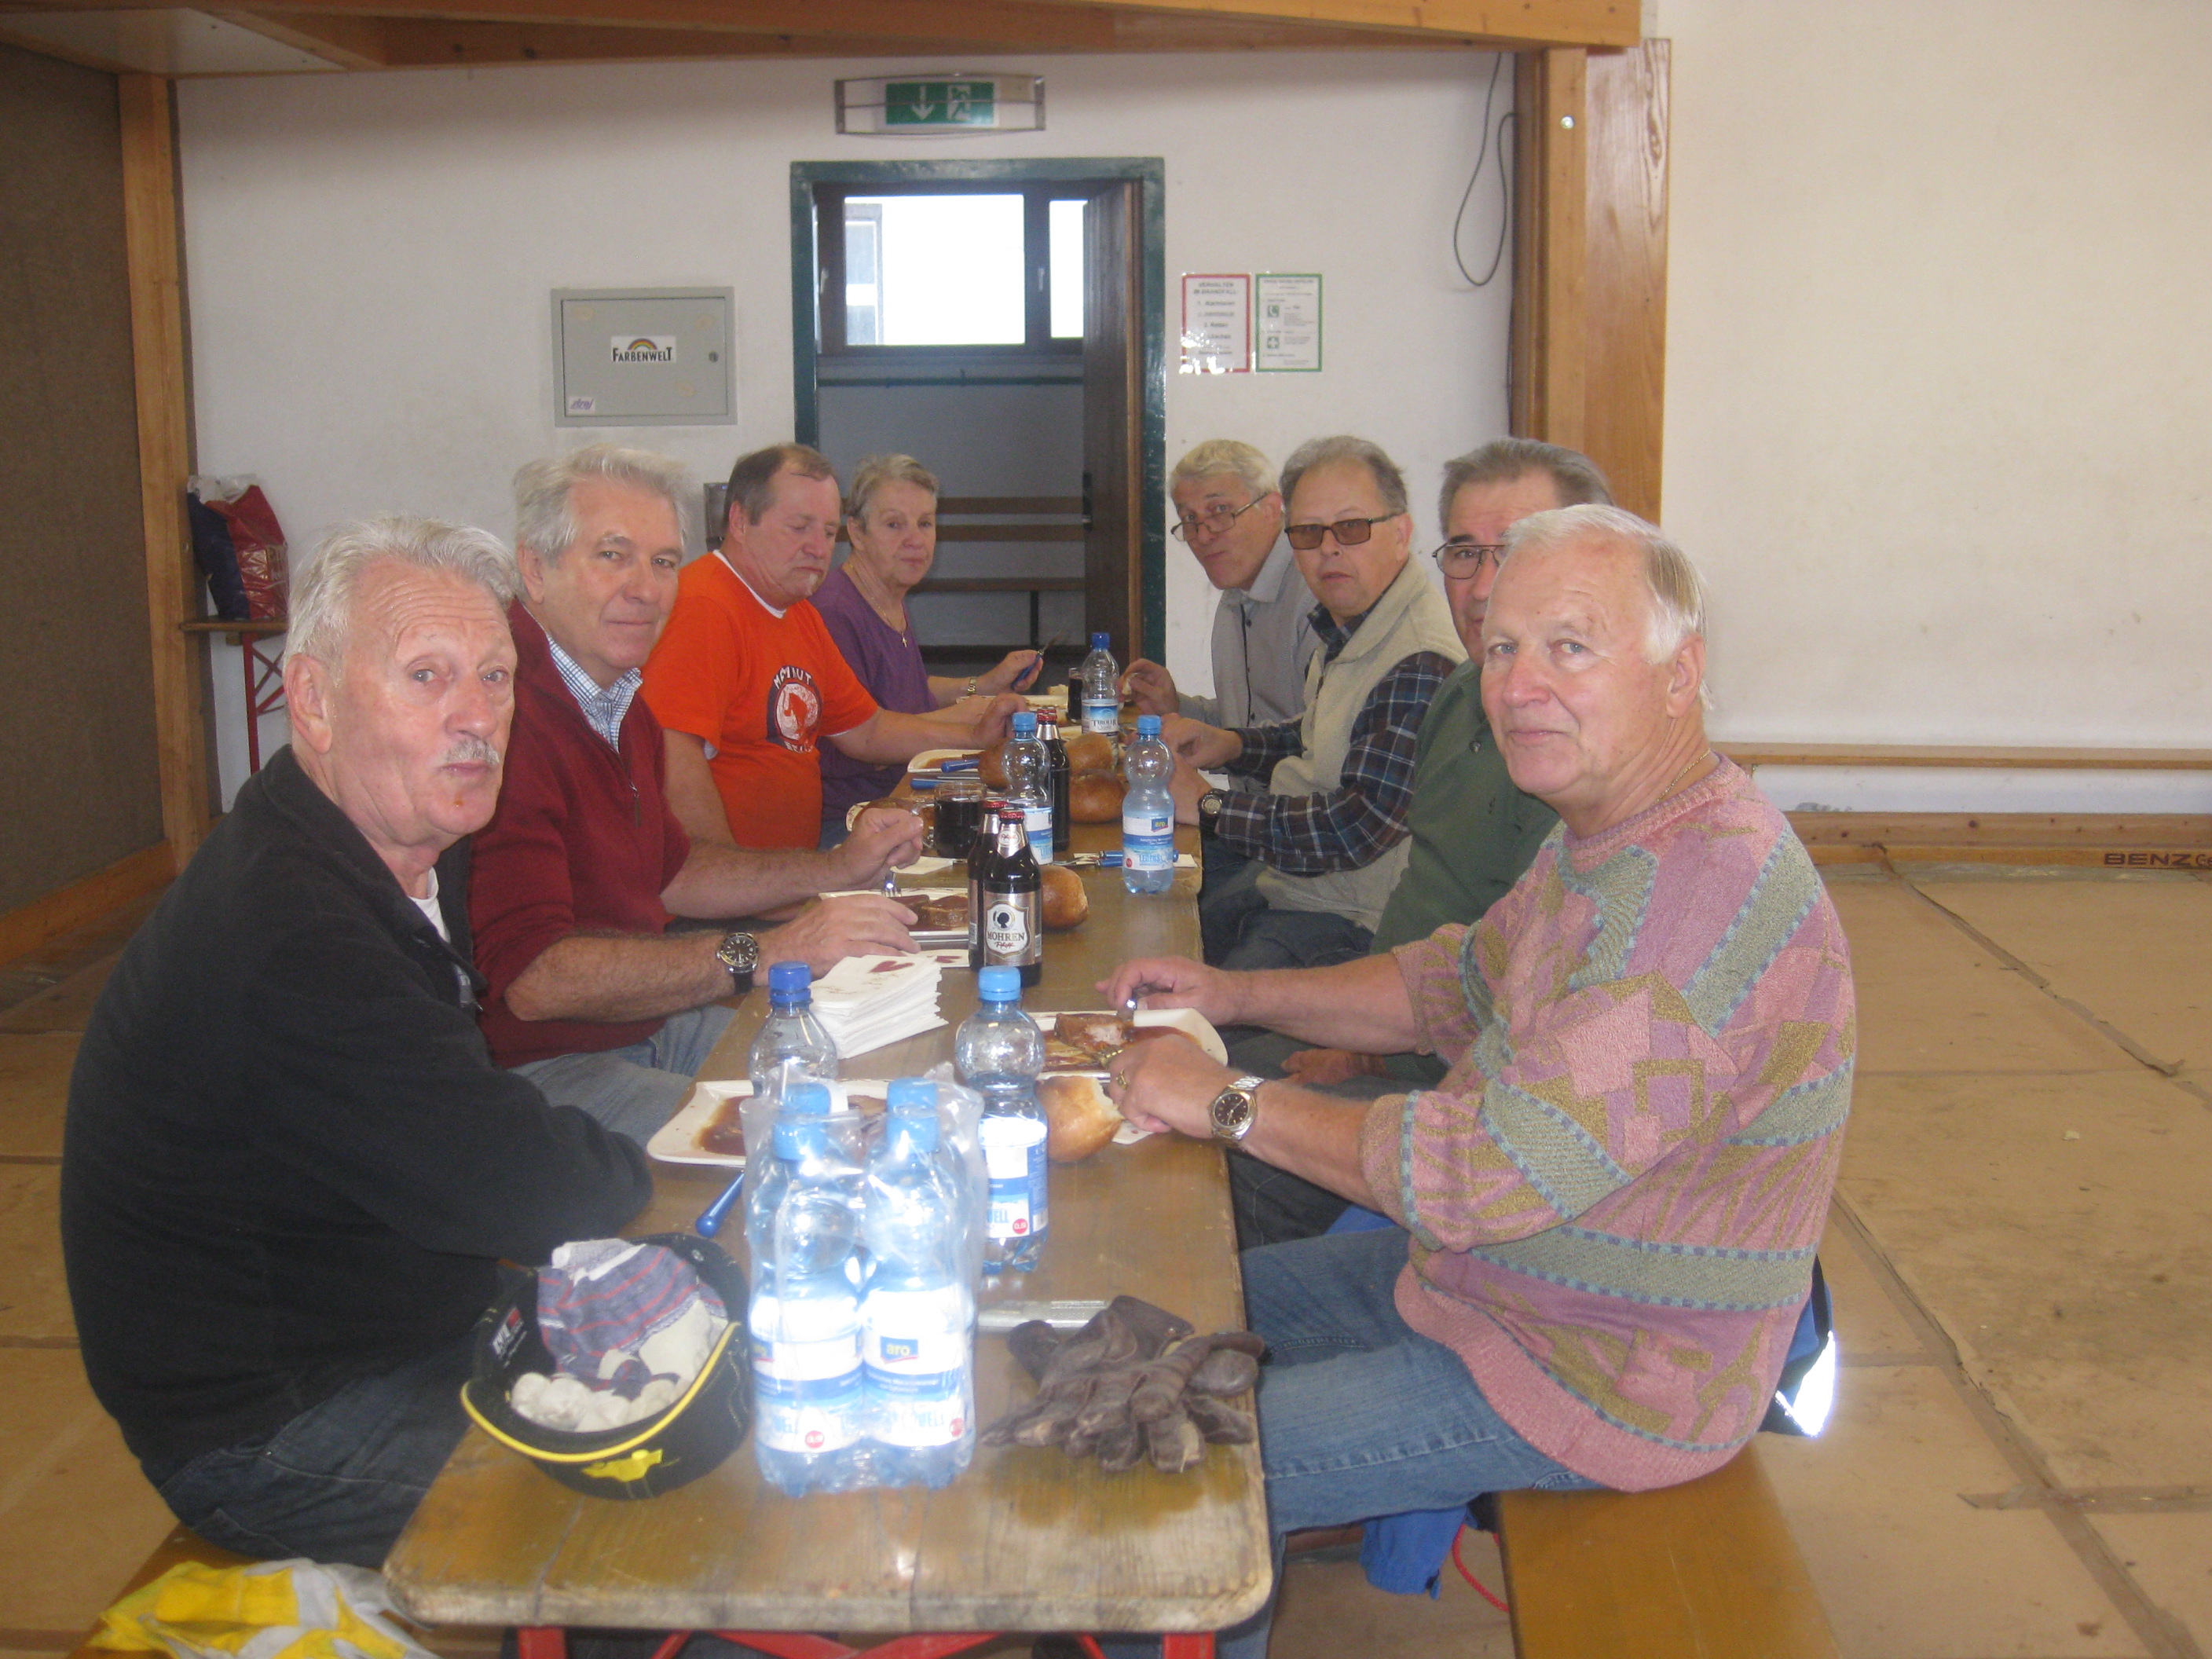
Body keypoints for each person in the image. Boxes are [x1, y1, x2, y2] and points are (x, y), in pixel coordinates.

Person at [1101, 504, 1855, 1659]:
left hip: (1605, 1369)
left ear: (1680, 674)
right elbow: (1453, 982)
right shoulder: (1614, 833)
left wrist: (1222, 1101)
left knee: (1174, 1468)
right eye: (1501, 647)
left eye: (1569, 646)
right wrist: (1231, 995)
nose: (1517, 685)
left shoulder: (1698, 904)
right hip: (1493, 1281)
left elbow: (1477, 1175)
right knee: (1174, 1320)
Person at [60, 518, 652, 1569]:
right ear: (315, 701)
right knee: (652, 1499)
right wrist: (647, 1169)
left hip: (390, 1322)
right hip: (275, 1424)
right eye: (426, 677)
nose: (476, 717)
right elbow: (518, 1187)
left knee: (709, 1353)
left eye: (495, 677)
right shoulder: (288, 930)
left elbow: (457, 1131)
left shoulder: (385, 841)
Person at [471, 445, 928, 1144]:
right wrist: (766, 951)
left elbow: (677, 874)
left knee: (882, 1074)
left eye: (662, 562)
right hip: (544, 1069)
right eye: (613, 556)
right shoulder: (501, 712)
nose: (646, 589)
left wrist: (838, 869)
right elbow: (536, 981)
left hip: (644, 1024)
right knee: (814, 1139)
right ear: (535, 567)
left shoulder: (618, 696)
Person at [1229, 439, 1613, 1247]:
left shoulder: (1591, 777)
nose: (1485, 585)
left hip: (1474, 1146)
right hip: (1404, 1045)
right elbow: (1461, 965)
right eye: (1466, 553)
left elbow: (1522, 1097)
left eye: (1519, 550)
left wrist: (1362, 1072)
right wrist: (1360, 1049)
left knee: (1210, 1176)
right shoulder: (1463, 693)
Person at [1163, 436, 1463, 971]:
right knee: (1164, 926)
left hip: (1360, 923)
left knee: (1195, 989)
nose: (1328, 549)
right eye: (1308, 533)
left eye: (1351, 528)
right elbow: (1321, 735)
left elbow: (1354, 828)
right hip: (1305, 884)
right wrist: (1229, 745)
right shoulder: (1357, 623)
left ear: (1401, 533)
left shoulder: (1419, 659)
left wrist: (1209, 806)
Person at [641, 443, 1020, 851]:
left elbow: (868, 730)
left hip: (797, 867)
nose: (819, 548)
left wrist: (974, 735)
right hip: (751, 877)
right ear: (740, 520)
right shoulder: (704, 606)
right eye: (799, 527)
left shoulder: (798, 611)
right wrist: (733, 879)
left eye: (826, 532)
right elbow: (672, 759)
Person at [813, 452, 1045, 841]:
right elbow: (866, 737)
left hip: (904, 794)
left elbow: (900, 687)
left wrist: (982, 685)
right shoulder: (836, 612)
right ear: (856, 532)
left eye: (925, 523)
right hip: (856, 819)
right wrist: (965, 724)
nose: (915, 540)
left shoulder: (887, 594)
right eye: (894, 524)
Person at [1120, 439, 1319, 774]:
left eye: (1220, 510)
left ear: (1271, 508)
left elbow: (1325, 743)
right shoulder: (1235, 598)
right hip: (1254, 802)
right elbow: (1244, 727)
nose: (1203, 535)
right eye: (1190, 518)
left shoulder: (1317, 594)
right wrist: (1174, 707)